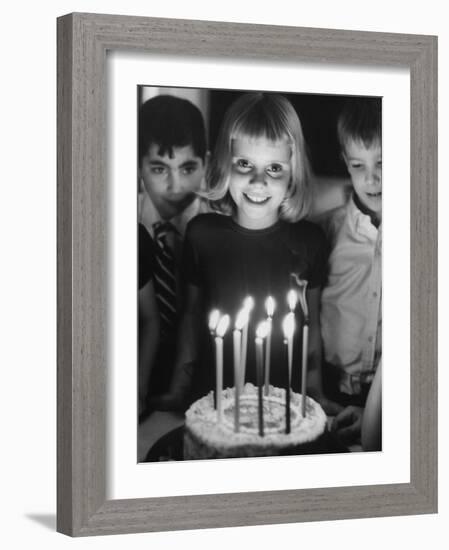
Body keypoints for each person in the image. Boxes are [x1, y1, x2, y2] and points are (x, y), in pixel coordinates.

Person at [156, 92, 341, 415]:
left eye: (274, 167)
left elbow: (311, 326)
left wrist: (316, 393)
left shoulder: (310, 241)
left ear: (293, 172)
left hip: (284, 404)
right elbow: (191, 316)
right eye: (244, 164)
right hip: (211, 398)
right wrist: (177, 388)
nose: (258, 182)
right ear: (225, 164)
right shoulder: (202, 234)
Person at [138, 94, 209, 419]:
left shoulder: (219, 229)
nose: (175, 185)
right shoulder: (118, 223)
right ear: (138, 166)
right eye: (159, 168)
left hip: (201, 383)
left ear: (205, 164)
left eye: (188, 167)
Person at [319, 98, 382, 444]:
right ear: (345, 162)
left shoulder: (425, 235)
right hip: (329, 391)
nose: (371, 178)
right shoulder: (328, 231)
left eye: (383, 162)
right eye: (358, 165)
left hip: (389, 398)